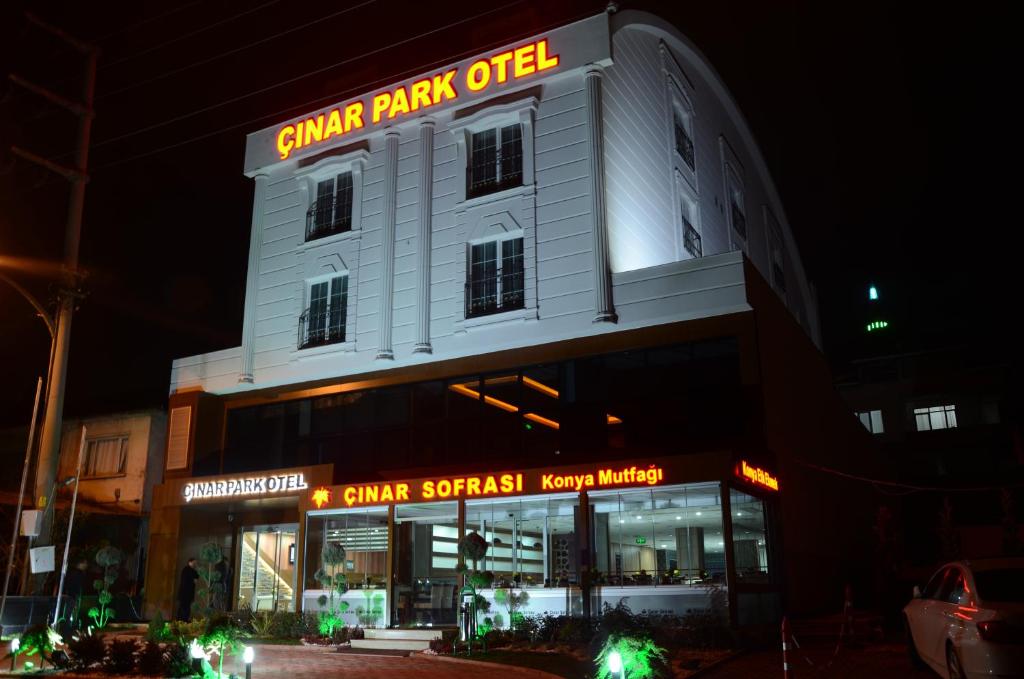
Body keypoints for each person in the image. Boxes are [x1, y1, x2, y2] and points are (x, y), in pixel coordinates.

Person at [63, 558, 90, 628]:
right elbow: (79, 585)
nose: (86, 565)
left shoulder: (72, 572)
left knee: (69, 614)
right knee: (70, 613)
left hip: (70, 595)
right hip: (73, 596)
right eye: (85, 563)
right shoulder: (78, 574)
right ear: (81, 564)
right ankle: (70, 628)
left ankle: (69, 627)